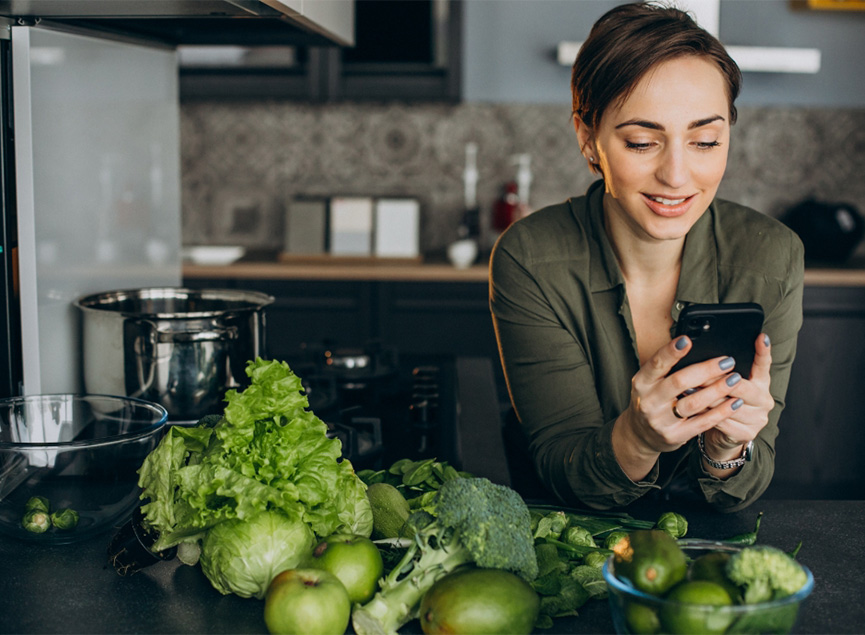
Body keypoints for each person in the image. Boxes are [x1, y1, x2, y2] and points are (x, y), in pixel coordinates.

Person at [489, 1, 804, 512]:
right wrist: (636, 439)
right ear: (588, 138)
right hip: (578, 544)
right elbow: (558, 463)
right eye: (641, 142)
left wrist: (729, 448)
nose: (677, 176)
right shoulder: (530, 256)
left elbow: (747, 481)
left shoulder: (772, 256)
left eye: (705, 141)